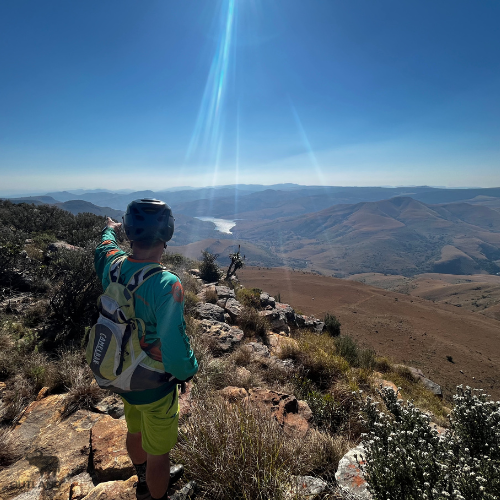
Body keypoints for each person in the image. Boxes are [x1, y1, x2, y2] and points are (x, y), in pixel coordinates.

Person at [94, 198, 198, 500]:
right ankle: (157, 495)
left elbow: (104, 247)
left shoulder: (112, 266)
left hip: (120, 372)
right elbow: (174, 344)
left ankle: (142, 476)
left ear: (129, 231)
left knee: (135, 429)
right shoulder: (167, 284)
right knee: (160, 453)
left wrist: (108, 229)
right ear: (167, 233)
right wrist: (187, 371)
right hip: (154, 384)